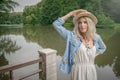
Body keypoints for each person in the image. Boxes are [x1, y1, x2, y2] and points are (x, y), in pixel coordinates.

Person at [53, 9, 106, 80]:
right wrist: (71, 13)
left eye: (85, 22)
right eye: (79, 23)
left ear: (89, 24)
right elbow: (56, 24)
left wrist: (94, 55)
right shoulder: (72, 37)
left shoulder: (96, 37)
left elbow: (103, 48)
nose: (82, 25)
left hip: (91, 69)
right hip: (77, 70)